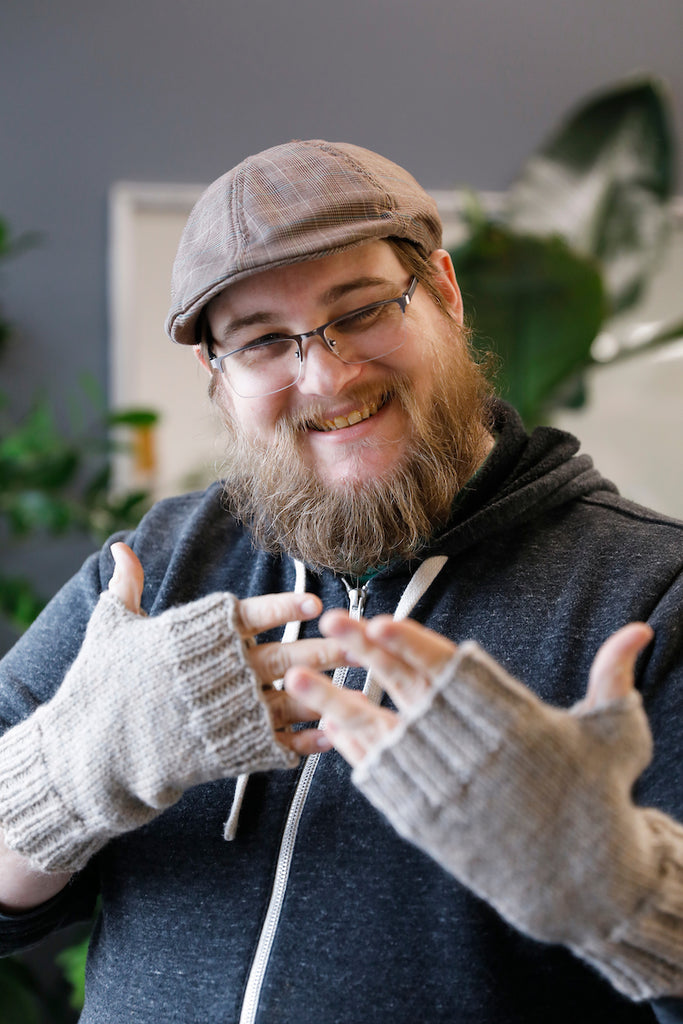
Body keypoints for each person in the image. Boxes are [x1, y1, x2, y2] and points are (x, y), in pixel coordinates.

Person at [0, 139, 682, 1024]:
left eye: (359, 312)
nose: (324, 374)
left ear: (443, 291)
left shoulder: (650, 593)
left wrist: (620, 885)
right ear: (217, 374)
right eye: (261, 342)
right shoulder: (153, 571)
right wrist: (77, 771)